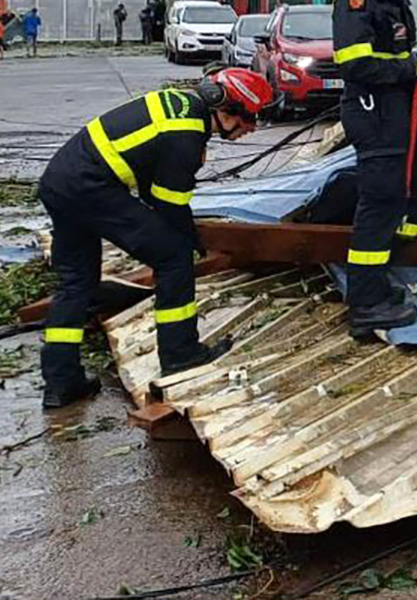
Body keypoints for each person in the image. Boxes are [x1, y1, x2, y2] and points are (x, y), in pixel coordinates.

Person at [35, 67, 274, 407]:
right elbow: (168, 203)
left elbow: (151, 185)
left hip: (61, 183)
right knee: (174, 258)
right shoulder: (188, 133)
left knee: (75, 284)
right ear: (228, 109)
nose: (251, 129)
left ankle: (61, 383)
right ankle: (181, 354)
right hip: (92, 189)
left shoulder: (179, 106)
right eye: (251, 119)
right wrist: (193, 243)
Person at [325, 0, 417, 337]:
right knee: (379, 203)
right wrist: (408, 70)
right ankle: (366, 305)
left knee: (392, 200)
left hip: (393, 109)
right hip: (375, 111)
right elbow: (354, 62)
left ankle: (375, 286)